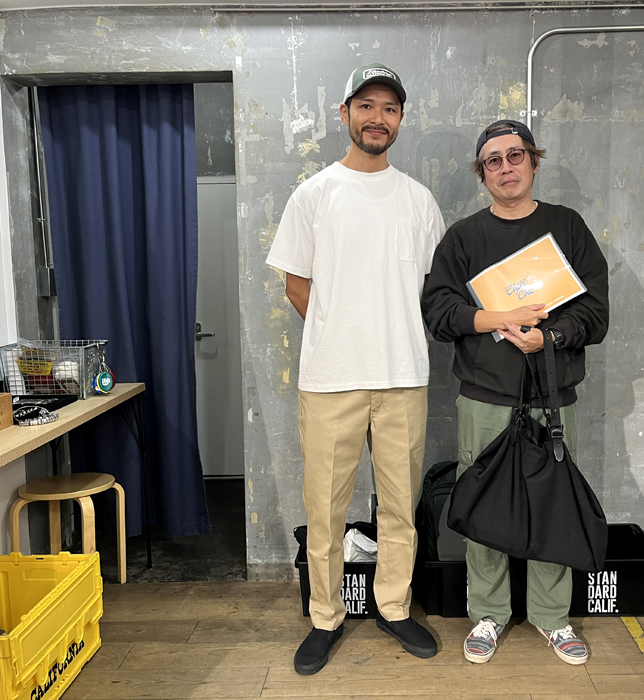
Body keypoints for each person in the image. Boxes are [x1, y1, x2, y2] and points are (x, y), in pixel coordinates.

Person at [266, 63, 446, 675]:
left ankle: (394, 606)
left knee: (400, 506)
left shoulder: (419, 200)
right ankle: (325, 617)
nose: (377, 118)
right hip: (330, 381)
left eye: (389, 108)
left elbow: (431, 287)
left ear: (401, 119)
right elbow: (296, 284)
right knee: (326, 509)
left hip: (403, 377)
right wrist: (339, 330)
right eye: (365, 106)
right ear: (344, 114)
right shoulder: (314, 194)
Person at [421, 120, 609, 665]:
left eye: (515, 155)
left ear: (533, 161)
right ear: (482, 173)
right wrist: (496, 318)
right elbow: (439, 311)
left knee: (553, 506)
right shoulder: (463, 238)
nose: (506, 167)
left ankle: (552, 617)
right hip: (484, 397)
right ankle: (488, 612)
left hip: (553, 396)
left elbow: (595, 311)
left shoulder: (567, 227)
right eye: (493, 161)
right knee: (484, 506)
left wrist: (550, 337)